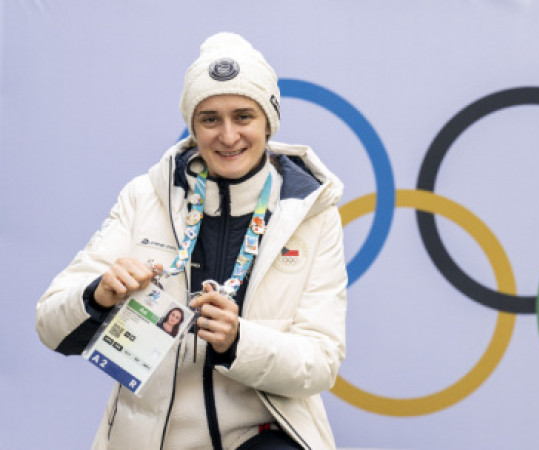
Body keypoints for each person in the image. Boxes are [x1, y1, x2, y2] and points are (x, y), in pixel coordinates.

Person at [35, 32, 347, 450]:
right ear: (193, 126)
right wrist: (98, 295)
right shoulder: (145, 197)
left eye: (243, 116)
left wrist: (239, 341)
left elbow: (321, 362)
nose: (228, 136)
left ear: (268, 123)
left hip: (263, 436)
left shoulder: (311, 213)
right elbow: (50, 326)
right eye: (210, 119)